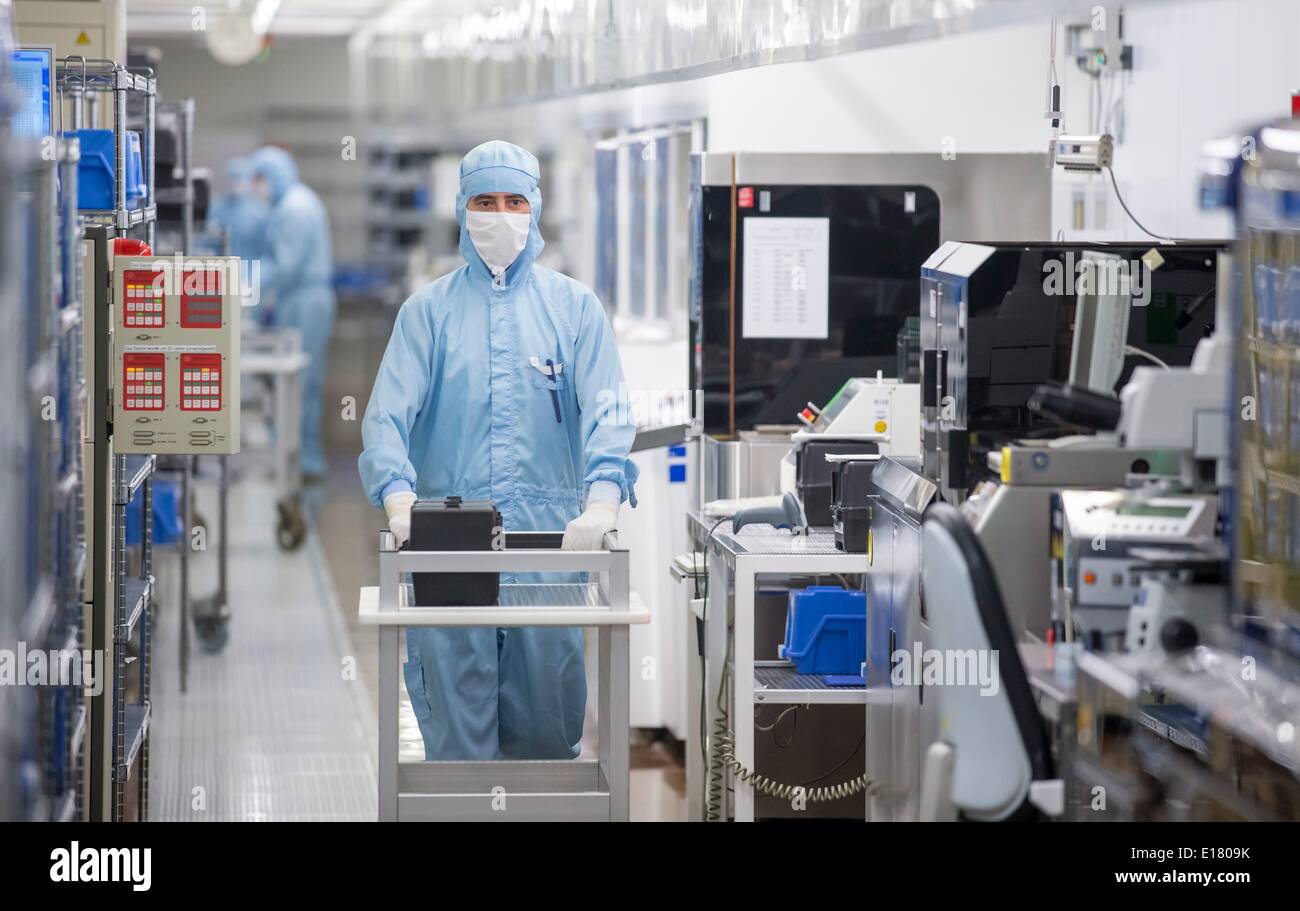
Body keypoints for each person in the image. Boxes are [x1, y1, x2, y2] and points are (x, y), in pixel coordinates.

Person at [358, 140, 637, 760]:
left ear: (535, 208)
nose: (501, 214)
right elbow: (384, 420)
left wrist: (602, 502)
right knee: (458, 728)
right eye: (486, 201)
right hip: (446, 547)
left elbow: (610, 413)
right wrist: (400, 499)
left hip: (550, 551)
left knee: (545, 726)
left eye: (514, 201)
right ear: (462, 210)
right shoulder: (427, 313)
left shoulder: (574, 309)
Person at [250, 146, 336, 483]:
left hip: (305, 301)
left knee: (301, 382)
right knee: (300, 382)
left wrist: (254, 282)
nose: (257, 187)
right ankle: (297, 457)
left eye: (259, 179)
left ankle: (303, 461)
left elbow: (287, 266)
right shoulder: (296, 202)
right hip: (302, 298)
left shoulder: (295, 209)